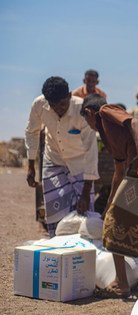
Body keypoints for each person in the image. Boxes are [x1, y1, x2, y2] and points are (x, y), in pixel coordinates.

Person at [80, 94, 138, 298]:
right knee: (130, 222)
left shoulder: (105, 111)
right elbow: (119, 171)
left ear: (90, 113)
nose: (88, 124)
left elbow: (135, 123)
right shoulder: (109, 138)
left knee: (113, 224)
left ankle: (121, 283)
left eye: (86, 119)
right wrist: (110, 202)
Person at [25, 76, 99, 237]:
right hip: (53, 160)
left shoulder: (83, 110)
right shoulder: (39, 105)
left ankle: (83, 252)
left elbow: (91, 150)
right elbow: (32, 132)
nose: (58, 109)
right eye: (53, 106)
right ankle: (59, 248)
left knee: (85, 213)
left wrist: (86, 192)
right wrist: (31, 166)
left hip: (80, 162)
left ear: (70, 95)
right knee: (55, 209)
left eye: (62, 104)